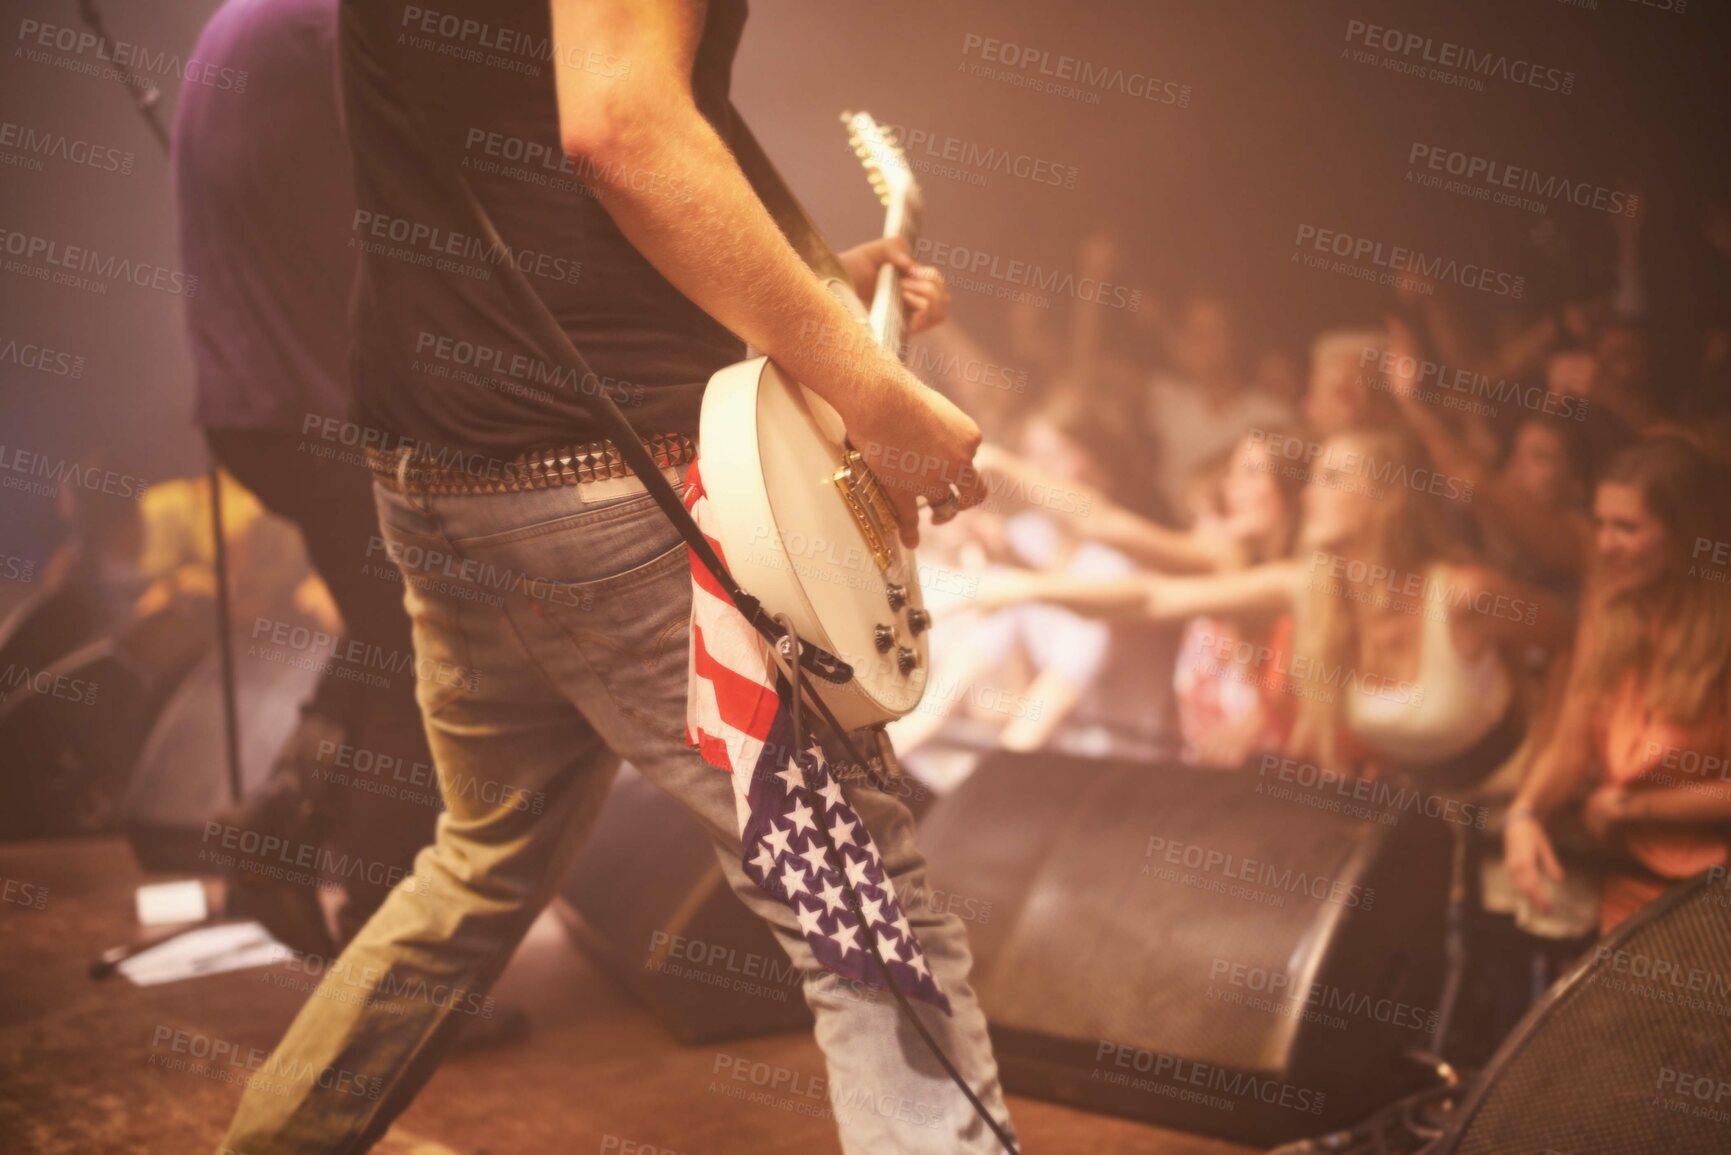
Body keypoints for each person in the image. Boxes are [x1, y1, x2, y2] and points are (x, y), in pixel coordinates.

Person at [220, 2, 1009, 1153]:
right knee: (866, 919)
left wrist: (816, 280)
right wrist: (880, 402)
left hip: (434, 460)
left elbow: (518, 144)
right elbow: (622, 128)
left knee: (478, 861)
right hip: (611, 478)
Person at [173, 0, 438, 954]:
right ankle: (389, 951)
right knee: (425, 650)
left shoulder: (241, 26)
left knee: (391, 633)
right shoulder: (334, 25)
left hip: (260, 403)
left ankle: (274, 829)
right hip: (313, 404)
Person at [975, 427, 1571, 785]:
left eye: (1334, 478)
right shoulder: (1306, 585)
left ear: (1388, 498)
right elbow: (1152, 595)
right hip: (1410, 823)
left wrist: (1544, 785)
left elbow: (1576, 638)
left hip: (1513, 819)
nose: (1314, 492)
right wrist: (1027, 580)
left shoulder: (1466, 595)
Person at [1503, 434, 1731, 935]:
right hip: (1629, 886)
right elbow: (1568, 748)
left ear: (1686, 534)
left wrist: (1640, 806)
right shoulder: (1608, 613)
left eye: (1627, 527)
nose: (1605, 543)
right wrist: (1523, 815)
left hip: (1713, 896)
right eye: (1600, 523)